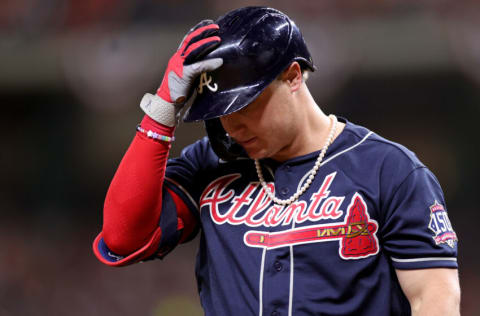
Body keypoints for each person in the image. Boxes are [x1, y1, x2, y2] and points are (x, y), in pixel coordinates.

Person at [93, 6, 461, 316]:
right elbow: (123, 238)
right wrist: (161, 111)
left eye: (244, 106)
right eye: (220, 112)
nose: (232, 125)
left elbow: (434, 298)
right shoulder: (210, 163)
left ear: (293, 76)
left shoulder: (389, 169)